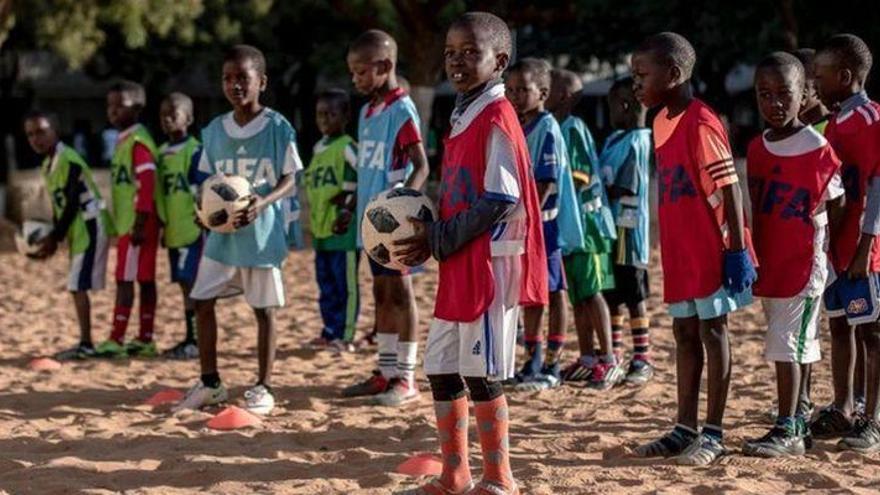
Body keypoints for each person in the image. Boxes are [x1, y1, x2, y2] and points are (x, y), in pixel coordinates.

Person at [394, 11, 546, 494]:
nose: (456, 61)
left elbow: (502, 198)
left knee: (482, 375)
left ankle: (500, 477)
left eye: (469, 53)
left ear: (499, 61)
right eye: (450, 53)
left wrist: (441, 235)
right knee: (440, 367)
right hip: (459, 258)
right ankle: (455, 474)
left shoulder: (498, 115)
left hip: (488, 261)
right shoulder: (464, 110)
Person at [630, 32, 757, 465]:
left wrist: (737, 251)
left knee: (713, 332)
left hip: (711, 249)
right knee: (684, 335)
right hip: (679, 251)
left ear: (675, 74)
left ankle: (714, 433)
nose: (636, 84)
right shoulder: (658, 121)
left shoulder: (702, 121)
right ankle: (684, 428)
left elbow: (730, 189)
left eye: (642, 75)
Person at [173, 45, 301, 415]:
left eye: (242, 78)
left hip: (260, 236)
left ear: (261, 82)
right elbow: (208, 184)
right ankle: (211, 383)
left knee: (263, 310)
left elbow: (290, 180)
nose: (235, 85)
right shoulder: (214, 130)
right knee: (201, 300)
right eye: (228, 78)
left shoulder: (278, 127)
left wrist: (261, 203)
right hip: (222, 237)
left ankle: (263, 386)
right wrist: (204, 213)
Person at [742, 52, 843, 457]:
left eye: (785, 94)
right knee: (785, 344)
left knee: (789, 344)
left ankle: (790, 429)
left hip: (805, 264)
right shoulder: (757, 148)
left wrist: (827, 251)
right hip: (772, 263)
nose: (775, 104)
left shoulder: (819, 149)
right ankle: (795, 417)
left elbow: (836, 204)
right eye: (765, 95)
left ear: (805, 95)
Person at [341, 29, 430, 406]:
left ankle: (406, 378)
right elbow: (367, 168)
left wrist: (403, 209)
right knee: (380, 293)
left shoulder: (401, 109)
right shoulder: (366, 111)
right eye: (353, 72)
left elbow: (421, 165)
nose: (355, 79)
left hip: (395, 226)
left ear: (385, 66)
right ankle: (386, 370)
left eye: (361, 71)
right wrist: (350, 207)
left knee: (402, 292)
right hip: (371, 225)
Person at [813, 34, 880, 451]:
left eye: (819, 77)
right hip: (836, 248)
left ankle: (871, 419)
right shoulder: (835, 122)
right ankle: (843, 406)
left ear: (845, 75)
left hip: (862, 250)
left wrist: (864, 244)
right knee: (840, 326)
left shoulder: (872, 119)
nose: (815, 84)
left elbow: (878, 185)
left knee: (871, 331)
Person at [505, 58, 583, 390]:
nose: (515, 96)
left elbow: (546, 181)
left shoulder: (547, 127)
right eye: (510, 90)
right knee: (531, 294)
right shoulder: (519, 127)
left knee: (553, 291)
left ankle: (552, 364)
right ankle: (531, 360)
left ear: (543, 93)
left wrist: (521, 210)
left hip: (545, 226)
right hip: (525, 227)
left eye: (523, 90)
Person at [546, 68, 622, 388]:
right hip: (570, 227)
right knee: (578, 296)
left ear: (562, 95)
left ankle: (609, 359)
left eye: (546, 87)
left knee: (593, 293)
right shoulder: (554, 126)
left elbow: (578, 177)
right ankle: (588, 358)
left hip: (587, 227)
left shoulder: (572, 127)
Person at [23, 111, 112, 360]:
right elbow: (59, 205)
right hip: (78, 228)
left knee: (77, 284)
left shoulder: (69, 159)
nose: (35, 138)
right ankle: (86, 342)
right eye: (30, 134)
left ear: (56, 131)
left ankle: (86, 344)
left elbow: (73, 201)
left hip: (90, 224)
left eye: (41, 131)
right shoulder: (47, 164)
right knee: (76, 284)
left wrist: (55, 237)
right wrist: (54, 236)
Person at [95, 80, 162, 359]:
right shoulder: (124, 140)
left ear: (137, 108)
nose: (112, 111)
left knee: (127, 279)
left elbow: (147, 182)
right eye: (109, 105)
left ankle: (118, 337)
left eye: (118, 106)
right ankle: (143, 338)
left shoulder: (138, 142)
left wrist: (139, 221)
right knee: (141, 278)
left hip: (139, 223)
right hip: (129, 222)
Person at [600, 77, 655, 385]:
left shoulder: (638, 141)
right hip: (612, 229)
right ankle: (617, 353)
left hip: (629, 233)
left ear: (624, 106)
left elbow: (624, 186)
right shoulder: (613, 139)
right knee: (613, 294)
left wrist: (596, 191)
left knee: (634, 293)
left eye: (611, 106)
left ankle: (643, 357)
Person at [305, 88, 360, 350]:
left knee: (344, 285)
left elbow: (364, 176)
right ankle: (329, 331)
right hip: (320, 228)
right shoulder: (317, 149)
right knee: (325, 285)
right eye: (320, 115)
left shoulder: (348, 146)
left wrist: (349, 203)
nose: (325, 119)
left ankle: (346, 335)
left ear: (345, 116)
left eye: (331, 114)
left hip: (342, 229)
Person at [156, 92, 205, 360]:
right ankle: (190, 337)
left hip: (192, 231)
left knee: (192, 283)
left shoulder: (195, 151)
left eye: (173, 114)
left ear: (189, 118)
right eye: (163, 115)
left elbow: (202, 192)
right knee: (183, 286)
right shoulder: (161, 153)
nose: (167, 119)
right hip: (173, 231)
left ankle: (196, 339)